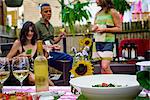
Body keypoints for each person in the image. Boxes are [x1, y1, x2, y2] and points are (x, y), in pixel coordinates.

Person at [6, 21, 54, 86]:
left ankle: (54, 91)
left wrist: (46, 53)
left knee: (47, 80)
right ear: (23, 32)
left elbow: (42, 60)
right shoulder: (18, 43)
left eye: (32, 31)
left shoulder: (37, 43)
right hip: (23, 71)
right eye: (27, 31)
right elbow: (7, 60)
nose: (29, 33)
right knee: (36, 79)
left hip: (37, 71)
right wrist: (20, 56)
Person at [35, 3, 73, 73]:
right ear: (41, 13)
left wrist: (60, 36)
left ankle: (64, 78)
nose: (49, 13)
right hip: (43, 54)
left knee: (67, 64)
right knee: (69, 58)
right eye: (46, 12)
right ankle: (65, 78)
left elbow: (53, 41)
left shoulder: (51, 26)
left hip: (51, 52)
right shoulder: (37, 26)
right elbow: (35, 43)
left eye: (50, 11)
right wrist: (49, 47)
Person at [92, 0, 122, 74]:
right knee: (102, 68)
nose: (96, 1)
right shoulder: (98, 13)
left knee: (105, 66)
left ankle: (113, 84)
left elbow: (119, 28)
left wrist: (105, 29)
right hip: (97, 42)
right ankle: (105, 84)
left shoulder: (113, 12)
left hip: (108, 42)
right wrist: (94, 28)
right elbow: (94, 27)